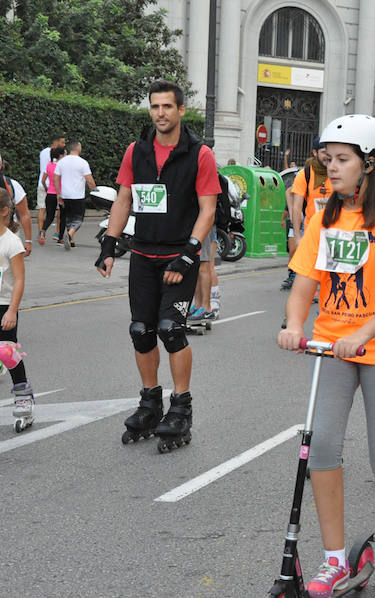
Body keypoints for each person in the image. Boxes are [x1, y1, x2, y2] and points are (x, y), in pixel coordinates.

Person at [277, 113, 375, 598]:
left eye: (342, 160)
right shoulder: (325, 220)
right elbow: (304, 284)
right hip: (332, 346)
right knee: (321, 449)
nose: (331, 169)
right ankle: (334, 560)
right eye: (328, 160)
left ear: (370, 164)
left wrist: (360, 334)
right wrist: (296, 325)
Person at [95, 80, 220, 453]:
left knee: (171, 329)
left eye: (167, 106)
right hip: (144, 256)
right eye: (155, 107)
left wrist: (189, 253)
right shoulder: (137, 151)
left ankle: (181, 407)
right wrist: (108, 244)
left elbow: (208, 209)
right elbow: (124, 198)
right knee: (141, 330)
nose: (161, 113)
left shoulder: (199, 155)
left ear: (181, 110)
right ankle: (150, 403)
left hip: (179, 255)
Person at [0, 188, 35, 432]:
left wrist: (12, 310)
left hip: (4, 305)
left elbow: (19, 280)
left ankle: (24, 400)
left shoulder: (11, 242)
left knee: (7, 354)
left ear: (3, 212)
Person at [285, 138, 332, 290]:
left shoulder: (336, 171)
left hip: (334, 229)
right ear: (315, 152)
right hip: (311, 229)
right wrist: (298, 236)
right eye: (324, 152)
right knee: (308, 271)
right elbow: (297, 208)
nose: (328, 156)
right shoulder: (304, 174)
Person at [53, 140, 96, 249]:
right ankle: (70, 234)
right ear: (78, 148)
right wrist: (94, 189)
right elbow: (89, 180)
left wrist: (58, 194)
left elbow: (56, 179)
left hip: (64, 195)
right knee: (78, 218)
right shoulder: (83, 162)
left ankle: (71, 240)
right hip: (77, 196)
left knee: (68, 217)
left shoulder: (61, 162)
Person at [0, 155, 34, 257]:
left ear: (1, 166)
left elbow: (24, 214)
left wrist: (28, 241)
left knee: (9, 270)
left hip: (9, 234)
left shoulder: (13, 185)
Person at [37, 134, 65, 237]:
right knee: (59, 211)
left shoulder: (43, 152)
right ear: (56, 142)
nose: (63, 144)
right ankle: (57, 232)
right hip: (55, 186)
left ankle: (41, 231)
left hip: (42, 182)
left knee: (42, 209)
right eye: (62, 142)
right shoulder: (59, 155)